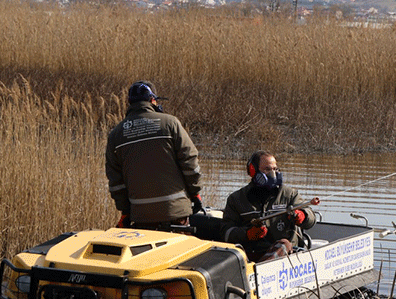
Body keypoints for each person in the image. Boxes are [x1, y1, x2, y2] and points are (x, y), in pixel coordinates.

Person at [105, 80, 203, 229]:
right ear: (152, 100)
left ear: (130, 103)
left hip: (141, 217)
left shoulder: (116, 135)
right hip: (176, 214)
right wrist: (195, 193)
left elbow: (115, 181)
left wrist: (125, 211)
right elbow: (190, 163)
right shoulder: (171, 123)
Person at [222, 151, 315, 262]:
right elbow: (226, 233)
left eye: (275, 169)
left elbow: (311, 218)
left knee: (283, 244)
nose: (273, 173)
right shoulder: (236, 199)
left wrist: (303, 216)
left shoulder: (289, 194)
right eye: (267, 169)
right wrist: (248, 234)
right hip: (251, 254)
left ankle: (262, 269)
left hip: (286, 255)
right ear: (253, 170)